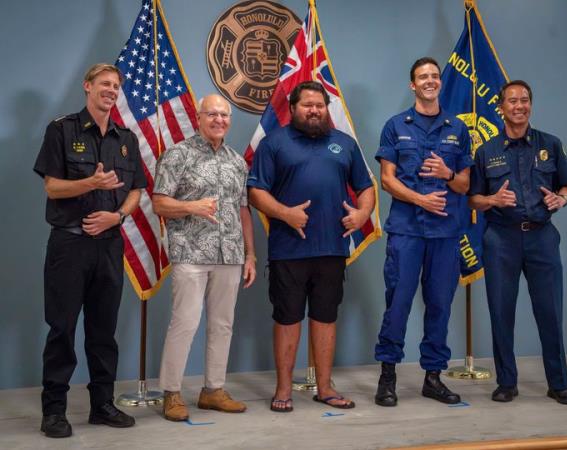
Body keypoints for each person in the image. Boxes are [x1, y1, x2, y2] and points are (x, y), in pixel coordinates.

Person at [248, 81, 375, 412]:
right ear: (292, 108)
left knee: (325, 317)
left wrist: (362, 213)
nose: (315, 110)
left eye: (320, 105)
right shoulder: (274, 143)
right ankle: (284, 390)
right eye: (308, 105)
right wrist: (285, 214)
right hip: (288, 250)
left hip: (331, 249)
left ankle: (326, 388)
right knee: (288, 318)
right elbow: (255, 192)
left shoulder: (344, 144)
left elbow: (366, 187)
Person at [34, 63, 146, 438]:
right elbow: (51, 187)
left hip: (109, 245)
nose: (111, 91)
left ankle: (102, 405)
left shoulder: (126, 138)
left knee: (103, 331)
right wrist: (91, 182)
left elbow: (136, 190)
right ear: (87, 86)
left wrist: (117, 217)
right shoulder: (61, 130)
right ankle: (54, 412)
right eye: (104, 84)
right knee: (62, 329)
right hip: (70, 244)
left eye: (116, 86)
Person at [468, 80, 567, 405]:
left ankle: (558, 384)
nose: (519, 106)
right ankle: (506, 382)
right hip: (501, 239)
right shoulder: (486, 151)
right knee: (501, 312)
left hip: (542, 239)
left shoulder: (551, 144)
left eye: (525, 100)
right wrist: (493, 200)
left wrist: (562, 199)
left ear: (531, 104)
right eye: (512, 101)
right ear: (501, 107)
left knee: (550, 312)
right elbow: (473, 199)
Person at [373, 57, 472, 407]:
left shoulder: (457, 128)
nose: (429, 81)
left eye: (434, 76)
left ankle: (433, 377)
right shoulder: (396, 125)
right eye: (422, 77)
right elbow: (387, 181)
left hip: (445, 233)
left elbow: (464, 185)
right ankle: (388, 377)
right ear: (412, 85)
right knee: (397, 303)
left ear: (440, 83)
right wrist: (421, 199)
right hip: (407, 231)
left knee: (440, 306)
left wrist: (447, 173)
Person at [152, 94, 256, 421]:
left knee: (223, 324)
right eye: (212, 114)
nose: (219, 120)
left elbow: (243, 210)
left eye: (224, 115)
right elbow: (158, 203)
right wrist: (190, 207)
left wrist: (250, 254)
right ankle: (171, 392)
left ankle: (213, 390)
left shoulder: (237, 161)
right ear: (199, 118)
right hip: (190, 252)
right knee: (185, 322)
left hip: (231, 254)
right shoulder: (177, 154)